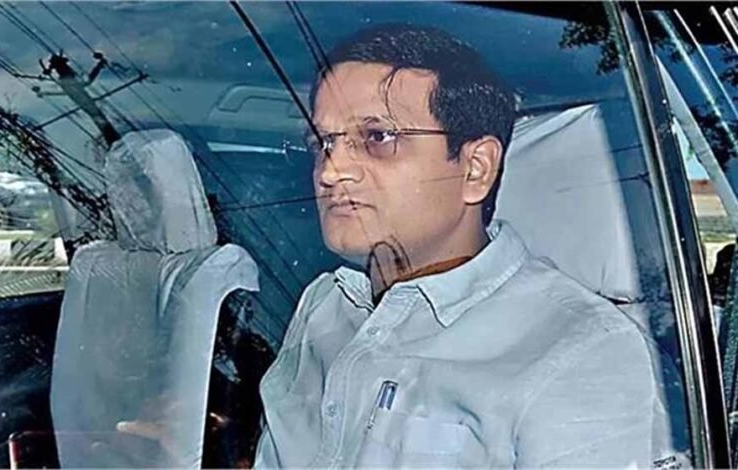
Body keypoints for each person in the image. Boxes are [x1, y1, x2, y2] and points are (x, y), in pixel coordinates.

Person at [252, 23, 677, 468]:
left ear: (476, 168)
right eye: (322, 143)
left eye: (378, 138)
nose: (330, 171)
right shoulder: (325, 307)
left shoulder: (579, 349)